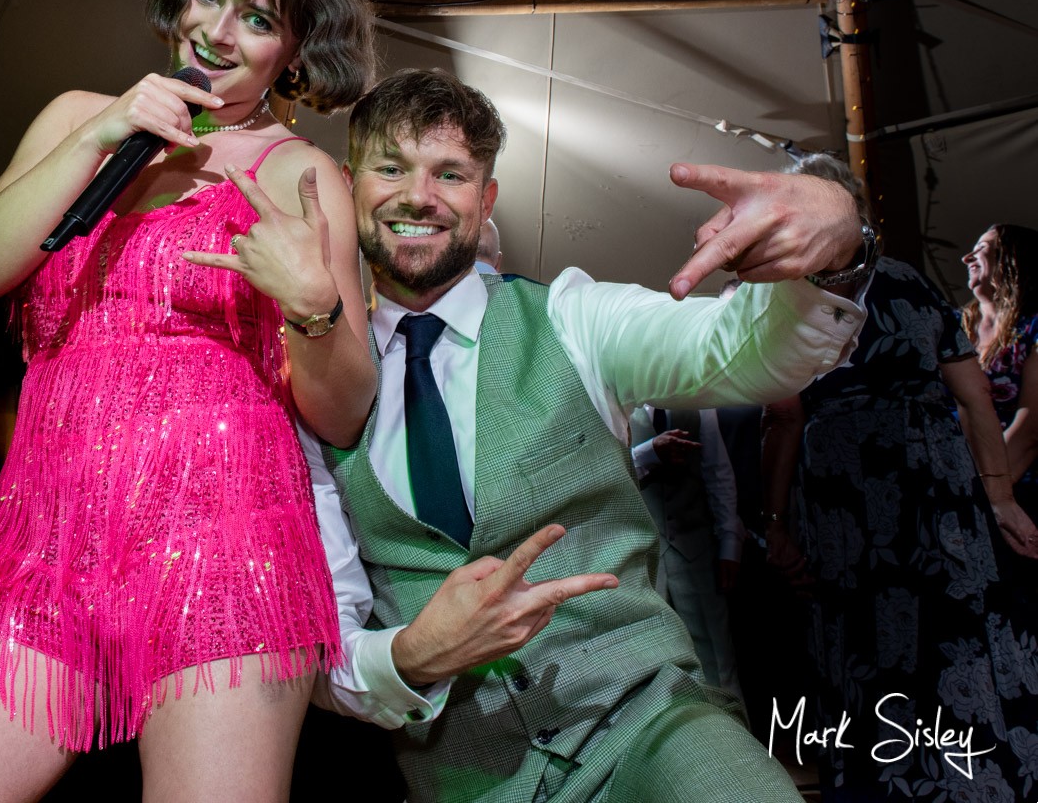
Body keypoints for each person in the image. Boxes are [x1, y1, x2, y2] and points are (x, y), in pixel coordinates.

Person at [0, 0, 377, 803]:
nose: (218, 31)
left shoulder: (301, 175)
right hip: (42, 542)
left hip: (223, 550)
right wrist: (100, 137)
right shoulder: (80, 117)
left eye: (257, 18)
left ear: (293, 49)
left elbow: (346, 411)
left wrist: (312, 306)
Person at [307, 69, 873, 803]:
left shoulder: (573, 318)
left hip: (651, 730)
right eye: (391, 168)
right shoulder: (308, 390)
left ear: (486, 199)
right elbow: (319, 653)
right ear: (348, 185)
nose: (419, 196)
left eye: (450, 173)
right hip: (466, 781)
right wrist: (412, 655)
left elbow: (743, 352)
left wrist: (839, 244)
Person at [760, 158, 1038, 801]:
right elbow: (972, 395)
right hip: (905, 487)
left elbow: (785, 419)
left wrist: (774, 525)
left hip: (878, 490)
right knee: (929, 635)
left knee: (891, 644)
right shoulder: (895, 281)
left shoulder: (796, 295)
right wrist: (997, 496)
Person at [629, 404, 745, 706]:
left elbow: (717, 470)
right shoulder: (614, 402)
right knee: (653, 663)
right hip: (642, 560)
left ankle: (732, 730)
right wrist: (648, 453)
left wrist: (730, 542)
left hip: (696, 552)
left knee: (717, 662)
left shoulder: (696, 399)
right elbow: (607, 471)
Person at [963, 224, 1038, 528]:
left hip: (1018, 491)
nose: (967, 258)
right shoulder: (953, 330)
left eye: (982, 249)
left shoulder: (1033, 328)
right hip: (957, 485)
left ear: (1013, 260)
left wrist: (984, 494)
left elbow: (1031, 428)